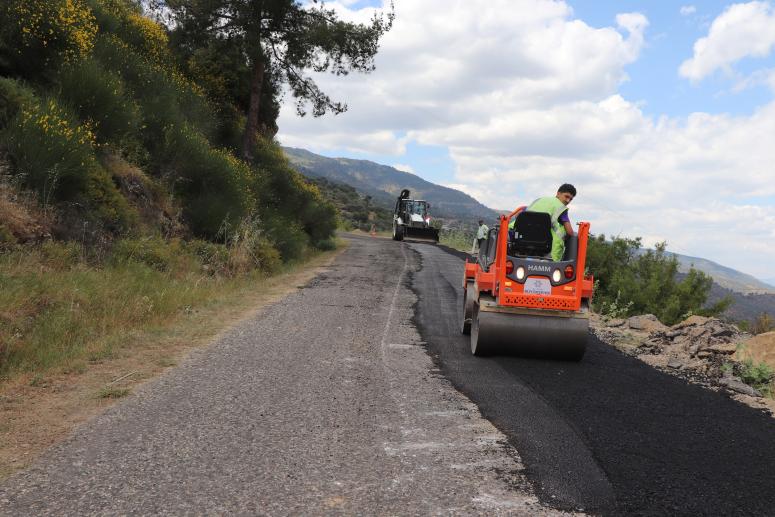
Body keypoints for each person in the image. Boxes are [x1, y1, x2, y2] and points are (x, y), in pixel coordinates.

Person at [513, 184, 576, 261]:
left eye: (571, 199)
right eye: (566, 196)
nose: (568, 201)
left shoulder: (539, 200)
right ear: (558, 193)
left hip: (520, 243)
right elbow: (570, 232)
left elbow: (517, 215)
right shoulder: (561, 208)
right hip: (547, 251)